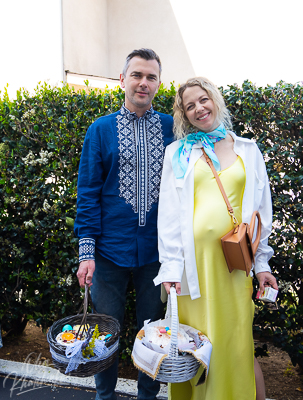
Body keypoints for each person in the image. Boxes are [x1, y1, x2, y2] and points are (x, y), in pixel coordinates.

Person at [153, 77, 278, 400]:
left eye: (203, 100)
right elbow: (167, 215)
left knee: (234, 342)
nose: (199, 109)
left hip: (233, 268)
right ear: (184, 116)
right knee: (195, 345)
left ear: (215, 100)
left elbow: (261, 214)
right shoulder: (177, 153)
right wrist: (169, 269)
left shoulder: (248, 151)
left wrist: (262, 263)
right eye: (189, 106)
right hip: (191, 271)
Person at [74, 48, 174, 400]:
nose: (143, 83)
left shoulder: (171, 129)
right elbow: (87, 193)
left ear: (159, 84)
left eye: (151, 77)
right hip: (108, 254)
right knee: (105, 334)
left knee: (154, 334)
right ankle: (105, 396)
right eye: (137, 75)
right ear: (122, 79)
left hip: (156, 254)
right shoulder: (100, 130)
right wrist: (86, 253)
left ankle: (148, 395)